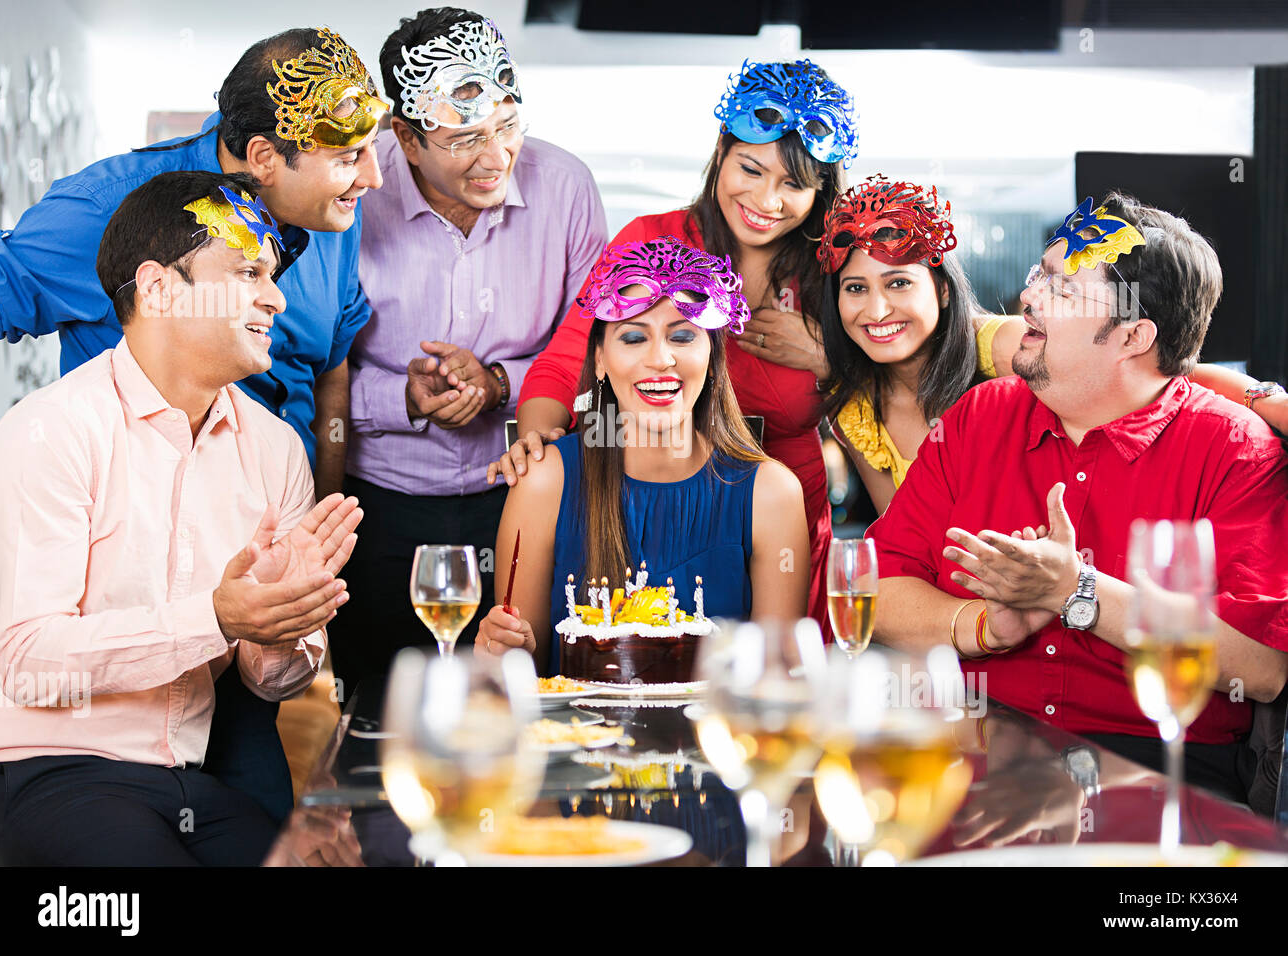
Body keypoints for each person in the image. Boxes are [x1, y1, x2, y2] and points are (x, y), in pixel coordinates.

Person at [0, 26, 386, 821]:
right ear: (267, 156)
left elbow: (332, 362)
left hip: (253, 601)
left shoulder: (334, 217)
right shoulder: (114, 210)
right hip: (119, 620)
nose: (374, 177)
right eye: (348, 154)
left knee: (259, 816)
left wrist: (312, 544)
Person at [869, 192, 1288, 800]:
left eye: (1063, 289)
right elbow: (876, 588)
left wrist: (1076, 592)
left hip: (1158, 778)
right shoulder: (981, 416)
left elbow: (1264, 668)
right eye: (1040, 276)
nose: (1029, 297)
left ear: (1132, 335)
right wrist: (988, 626)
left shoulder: (1232, 446)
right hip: (973, 759)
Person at [491, 59, 856, 638]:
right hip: (643, 484)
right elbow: (572, 355)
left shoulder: (837, 272)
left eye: (793, 184)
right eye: (751, 169)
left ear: (821, 190)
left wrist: (825, 357)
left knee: (776, 678)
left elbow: (904, 366)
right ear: (721, 152)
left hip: (775, 506)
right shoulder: (652, 239)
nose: (767, 199)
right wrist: (536, 441)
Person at [330, 9, 607, 697]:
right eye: (463, 139)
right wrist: (403, 397)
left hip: (520, 497)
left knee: (519, 702)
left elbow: (596, 346)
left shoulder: (567, 188)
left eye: (506, 125)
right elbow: (310, 357)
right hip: (380, 505)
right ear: (406, 137)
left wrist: (500, 383)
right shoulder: (353, 194)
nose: (496, 157)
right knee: (380, 711)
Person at [821, 176, 1288, 516]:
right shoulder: (857, 407)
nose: (877, 310)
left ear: (942, 290)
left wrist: (1264, 398)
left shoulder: (1005, 347)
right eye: (855, 289)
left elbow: (1145, 373)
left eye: (899, 282)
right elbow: (899, 535)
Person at [476, 237, 809, 671]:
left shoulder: (772, 494)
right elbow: (521, 673)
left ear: (713, 353)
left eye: (683, 336)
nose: (661, 359)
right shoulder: (545, 481)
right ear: (599, 359)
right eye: (634, 337)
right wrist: (500, 651)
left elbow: (774, 682)